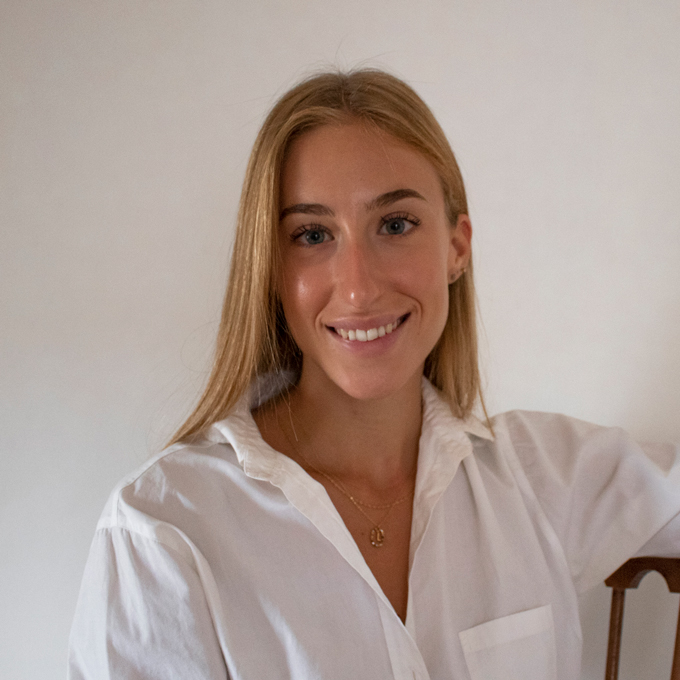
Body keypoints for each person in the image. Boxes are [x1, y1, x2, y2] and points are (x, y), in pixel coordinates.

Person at [68, 69, 680, 680]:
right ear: (270, 269)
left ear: (457, 247)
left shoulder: (543, 478)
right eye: (312, 235)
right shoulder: (164, 530)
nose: (359, 288)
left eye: (395, 225)